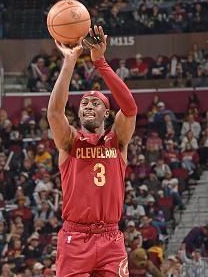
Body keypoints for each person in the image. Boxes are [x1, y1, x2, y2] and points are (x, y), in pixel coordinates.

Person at [47, 25, 137, 276]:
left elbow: (130, 108)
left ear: (106, 113)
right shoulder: (69, 141)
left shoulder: (117, 140)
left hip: (110, 237)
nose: (88, 105)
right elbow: (54, 113)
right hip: (75, 237)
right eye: (84, 103)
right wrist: (69, 62)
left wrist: (100, 62)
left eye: (95, 102)